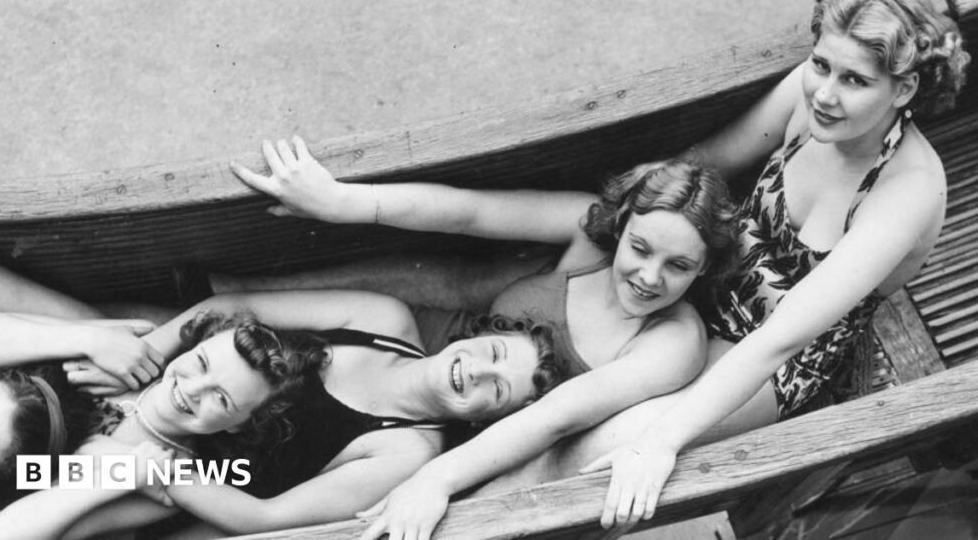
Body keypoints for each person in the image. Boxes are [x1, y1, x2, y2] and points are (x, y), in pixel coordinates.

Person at [514, 0, 970, 533]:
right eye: (822, 65)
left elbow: (780, 340)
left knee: (598, 450)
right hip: (698, 281)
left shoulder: (908, 191)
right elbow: (702, 165)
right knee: (548, 390)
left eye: (855, 80)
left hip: (770, 356)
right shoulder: (812, 98)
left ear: (902, 90)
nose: (825, 93)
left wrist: (661, 441)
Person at [230, 137, 740, 539]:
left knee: (281, 492)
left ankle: (203, 489)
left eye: (678, 266)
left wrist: (435, 479)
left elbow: (555, 418)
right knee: (265, 385)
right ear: (623, 224)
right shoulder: (591, 240)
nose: (649, 277)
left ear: (705, 267)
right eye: (640, 249)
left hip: (471, 451)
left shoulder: (672, 340)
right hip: (427, 360)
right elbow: (468, 212)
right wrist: (342, 201)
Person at [0, 282, 559, 538]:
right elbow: (232, 308)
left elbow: (266, 517)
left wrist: (145, 470)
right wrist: (140, 352)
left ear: (485, 419)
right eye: (492, 355)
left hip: (206, 468)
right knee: (62, 349)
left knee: (52, 483)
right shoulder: (382, 319)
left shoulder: (406, 448)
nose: (478, 372)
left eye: (496, 390)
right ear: (475, 336)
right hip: (182, 376)